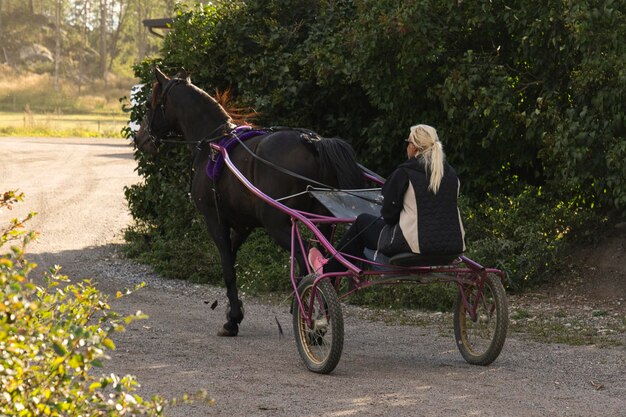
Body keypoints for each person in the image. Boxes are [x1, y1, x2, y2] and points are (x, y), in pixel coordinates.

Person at [313, 124, 466, 273]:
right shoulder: (451, 174)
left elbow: (389, 215)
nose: (407, 147)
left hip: (414, 245)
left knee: (361, 223)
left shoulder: (405, 172)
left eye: (408, 143)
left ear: (414, 147)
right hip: (453, 247)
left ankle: (328, 270)